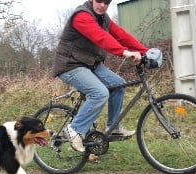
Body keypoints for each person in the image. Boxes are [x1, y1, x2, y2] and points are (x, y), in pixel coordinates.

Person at [52, 0, 149, 152]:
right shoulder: (81, 16)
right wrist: (124, 52)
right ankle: (74, 130)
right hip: (70, 65)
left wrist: (146, 52)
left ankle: (113, 126)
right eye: (99, 1)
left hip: (90, 64)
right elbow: (100, 37)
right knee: (100, 93)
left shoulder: (104, 18)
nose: (103, 5)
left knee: (119, 85)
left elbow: (121, 36)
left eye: (107, 2)